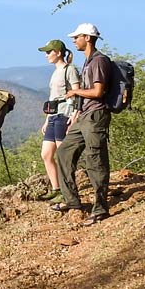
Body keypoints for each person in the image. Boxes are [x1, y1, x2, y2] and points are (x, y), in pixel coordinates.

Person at [54, 23, 113, 224]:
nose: (74, 41)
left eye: (76, 37)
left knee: (95, 160)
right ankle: (72, 201)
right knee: (63, 152)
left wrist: (75, 92)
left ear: (87, 38)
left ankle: (100, 209)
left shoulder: (99, 61)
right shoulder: (89, 61)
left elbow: (98, 92)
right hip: (84, 116)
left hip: (96, 116)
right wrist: (77, 114)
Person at [38, 38, 81, 199]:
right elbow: (53, 97)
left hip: (64, 114)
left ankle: (67, 191)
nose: (47, 55)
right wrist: (47, 119)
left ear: (58, 53)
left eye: (49, 52)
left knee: (63, 154)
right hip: (54, 116)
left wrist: (75, 115)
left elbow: (77, 93)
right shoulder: (56, 72)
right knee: (46, 154)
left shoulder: (69, 70)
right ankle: (56, 189)